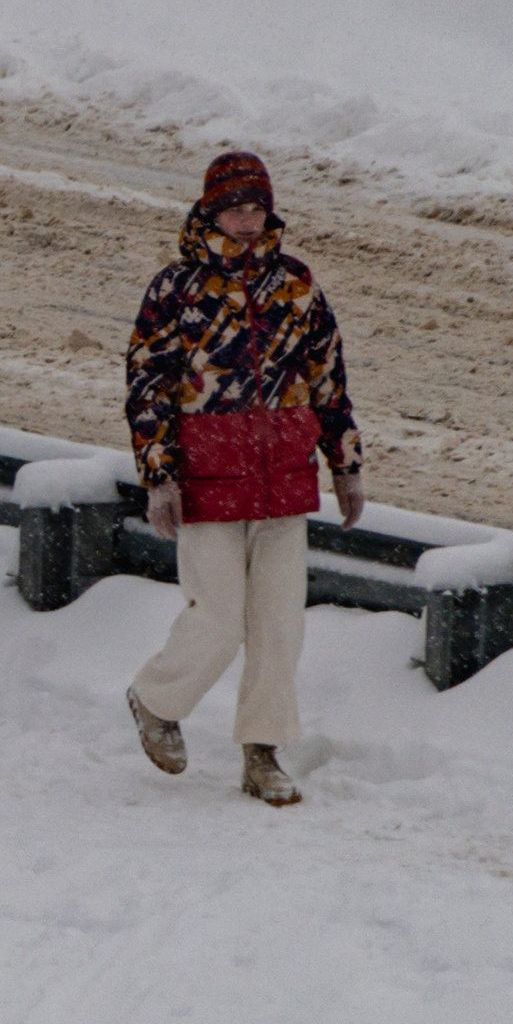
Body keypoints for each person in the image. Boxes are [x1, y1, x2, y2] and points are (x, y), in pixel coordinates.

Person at [123, 152, 362, 808]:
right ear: (210, 213)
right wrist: (159, 476)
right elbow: (147, 385)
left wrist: (345, 464)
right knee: (220, 618)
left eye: (257, 208)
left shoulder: (296, 283)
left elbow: (328, 377)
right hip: (209, 480)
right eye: (235, 210)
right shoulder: (176, 290)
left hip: (283, 478)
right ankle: (156, 700)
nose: (248, 221)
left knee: (279, 625)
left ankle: (262, 751)